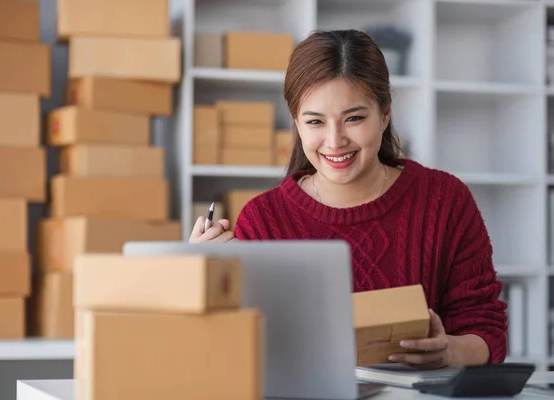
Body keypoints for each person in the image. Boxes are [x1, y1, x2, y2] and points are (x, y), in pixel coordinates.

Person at [189, 29, 508, 370]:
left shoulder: (445, 200)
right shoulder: (263, 218)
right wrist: (199, 288)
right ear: (296, 123)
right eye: (315, 121)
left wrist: (449, 351)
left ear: (385, 114)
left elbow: (486, 327)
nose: (335, 140)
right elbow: (233, 353)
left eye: (354, 118)